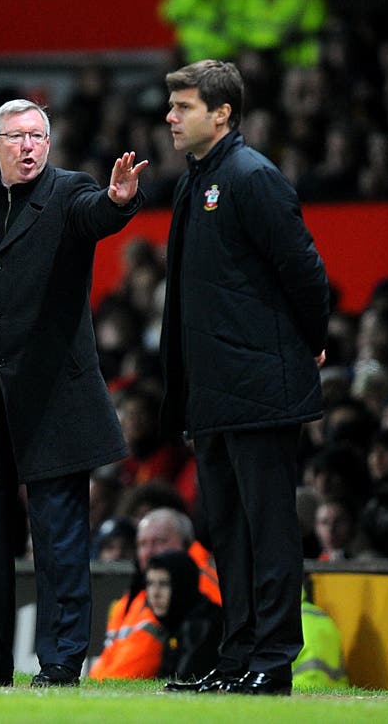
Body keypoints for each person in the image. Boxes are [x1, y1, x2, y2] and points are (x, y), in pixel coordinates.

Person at [0, 99, 148, 687]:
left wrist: (119, 201)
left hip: (53, 402)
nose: (30, 146)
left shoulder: (69, 193)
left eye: (38, 135)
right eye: (17, 137)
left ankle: (62, 663)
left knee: (60, 541)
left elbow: (98, 215)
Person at [160, 60, 330, 696]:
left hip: (259, 386)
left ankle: (274, 659)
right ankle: (236, 659)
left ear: (222, 114)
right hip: (213, 390)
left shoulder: (253, 177)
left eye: (183, 107)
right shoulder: (196, 181)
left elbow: (307, 274)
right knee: (228, 532)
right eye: (171, 105)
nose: (170, 117)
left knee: (268, 529)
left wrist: (308, 342)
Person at [88, 507, 220, 680]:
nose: (149, 552)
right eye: (142, 544)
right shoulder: (134, 595)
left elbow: (134, 666)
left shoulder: (202, 584)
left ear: (186, 542)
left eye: (159, 541)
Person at [147, 550, 222, 682]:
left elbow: (183, 681)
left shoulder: (200, 624)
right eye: (150, 584)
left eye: (164, 584)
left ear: (183, 584)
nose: (155, 593)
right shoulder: (176, 621)